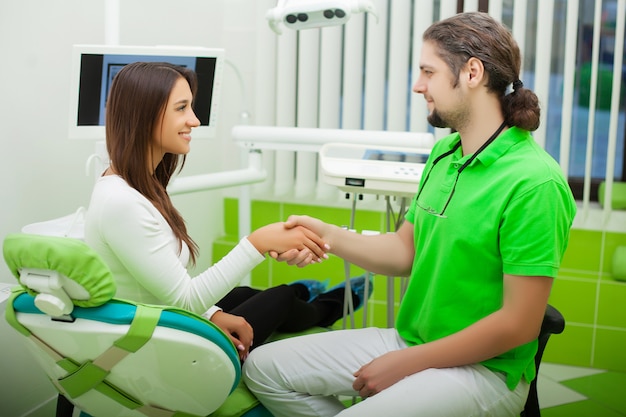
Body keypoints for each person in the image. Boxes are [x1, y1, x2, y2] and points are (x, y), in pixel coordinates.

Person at [242, 11, 577, 417]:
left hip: (483, 372)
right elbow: (404, 251)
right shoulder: (446, 154)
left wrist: (405, 365)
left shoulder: (534, 183)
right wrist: (324, 233)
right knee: (261, 368)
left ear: (471, 73)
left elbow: (518, 324)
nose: (418, 86)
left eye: (428, 72)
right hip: (412, 341)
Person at [84, 61, 369, 361]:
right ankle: (328, 304)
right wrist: (258, 243)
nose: (194, 121)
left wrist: (214, 312)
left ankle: (305, 293)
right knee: (280, 297)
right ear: (144, 115)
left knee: (245, 295)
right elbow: (185, 299)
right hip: (157, 349)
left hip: (163, 319)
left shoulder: (133, 185)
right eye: (181, 108)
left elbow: (164, 288)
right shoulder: (123, 203)